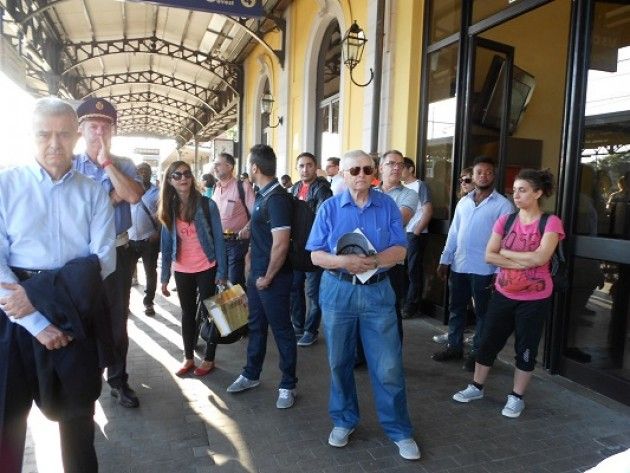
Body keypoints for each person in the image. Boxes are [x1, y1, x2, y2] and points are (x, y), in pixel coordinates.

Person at [0, 97, 115, 472]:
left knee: (78, 423)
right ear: (30, 136)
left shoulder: (93, 191)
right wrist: (33, 321)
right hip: (11, 319)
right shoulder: (5, 185)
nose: (54, 143)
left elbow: (102, 263)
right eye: (44, 134)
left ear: (77, 135)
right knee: (6, 422)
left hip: (74, 318)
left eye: (64, 134)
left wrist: (34, 296)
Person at [306, 149, 420, 461]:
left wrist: (371, 261)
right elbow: (315, 254)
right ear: (343, 174)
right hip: (338, 291)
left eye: (365, 169)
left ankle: (399, 429)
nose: (360, 176)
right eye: (353, 170)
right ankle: (343, 420)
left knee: (388, 366)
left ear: (374, 173)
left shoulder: (388, 207)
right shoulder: (329, 208)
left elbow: (400, 250)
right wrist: (344, 261)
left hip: (378, 292)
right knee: (339, 361)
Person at [453, 169, 564, 418]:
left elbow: (541, 257)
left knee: (526, 348)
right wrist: (524, 260)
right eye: (514, 190)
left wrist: (507, 253)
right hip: (504, 293)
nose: (516, 195)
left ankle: (516, 397)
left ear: (538, 193)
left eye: (522, 190)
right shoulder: (506, 220)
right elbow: (489, 255)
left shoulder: (550, 222)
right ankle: (477, 386)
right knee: (488, 341)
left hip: (534, 299)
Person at [73, 97, 144, 408]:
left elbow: (131, 195)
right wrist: (108, 198)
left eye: (105, 126)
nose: (99, 131)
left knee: (117, 321)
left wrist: (106, 164)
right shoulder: (70, 165)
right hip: (80, 255)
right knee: (83, 319)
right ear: (81, 129)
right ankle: (87, 379)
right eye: (93, 126)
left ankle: (118, 380)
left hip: (118, 251)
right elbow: (75, 210)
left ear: (113, 130)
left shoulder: (124, 164)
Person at [226, 144, 298, 410]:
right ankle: (251, 374)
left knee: (281, 330)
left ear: (254, 167)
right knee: (256, 326)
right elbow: (264, 235)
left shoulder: (277, 198)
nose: (247, 168)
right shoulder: (263, 195)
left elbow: (281, 244)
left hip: (273, 279)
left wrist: (267, 276)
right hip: (258, 276)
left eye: (247, 163)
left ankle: (288, 384)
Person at [433, 156, 513, 372]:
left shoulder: (503, 206)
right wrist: (444, 259)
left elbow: (506, 241)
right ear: (473, 176)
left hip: (485, 269)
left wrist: (499, 270)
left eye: (488, 172)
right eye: (479, 172)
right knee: (456, 309)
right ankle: (454, 347)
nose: (483, 176)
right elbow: (454, 233)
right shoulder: (463, 202)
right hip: (459, 266)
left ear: (494, 176)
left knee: (483, 315)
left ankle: (479, 354)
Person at [159, 161, 227, 377]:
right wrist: (164, 277)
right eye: (177, 175)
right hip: (182, 268)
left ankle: (209, 358)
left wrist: (222, 272)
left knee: (212, 313)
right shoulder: (168, 208)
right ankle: (188, 357)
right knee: (187, 314)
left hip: (207, 265)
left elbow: (218, 240)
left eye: (187, 174)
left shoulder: (207, 205)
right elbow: (166, 243)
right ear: (169, 181)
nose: (183, 178)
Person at [289, 152, 332, 346]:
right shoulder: (294, 188)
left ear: (316, 167)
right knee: (294, 288)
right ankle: (297, 327)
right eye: (301, 166)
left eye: (309, 165)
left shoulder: (323, 190)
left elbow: (323, 220)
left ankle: (310, 330)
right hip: (296, 248)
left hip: (315, 249)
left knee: (314, 293)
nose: (305, 169)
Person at [378, 150, 419, 340]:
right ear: (380, 168)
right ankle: (361, 356)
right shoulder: (369, 192)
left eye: (400, 164)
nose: (396, 167)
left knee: (391, 312)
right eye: (391, 163)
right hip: (366, 258)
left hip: (393, 262)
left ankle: (392, 361)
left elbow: (399, 220)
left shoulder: (409, 194)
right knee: (365, 311)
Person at [212, 152, 255, 289]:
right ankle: (224, 310)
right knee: (220, 280)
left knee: (234, 281)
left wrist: (247, 229)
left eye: (218, 164)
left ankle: (241, 310)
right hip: (218, 243)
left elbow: (257, 214)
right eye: (214, 165)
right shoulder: (216, 187)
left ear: (229, 166)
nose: (215, 167)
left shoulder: (242, 187)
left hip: (236, 243)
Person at [401, 157, 433, 319]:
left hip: (414, 234)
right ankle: (403, 302)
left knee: (413, 270)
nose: (398, 171)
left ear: (411, 169)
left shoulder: (420, 185)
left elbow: (427, 210)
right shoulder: (400, 188)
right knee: (402, 270)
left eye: (402, 167)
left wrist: (417, 231)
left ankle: (412, 306)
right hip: (401, 234)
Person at [128, 162, 160, 316]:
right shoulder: (128, 188)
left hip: (149, 240)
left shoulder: (157, 192)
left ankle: (149, 302)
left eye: (146, 171)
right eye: (140, 171)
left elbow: (164, 214)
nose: (143, 173)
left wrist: (158, 232)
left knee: (150, 272)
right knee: (126, 274)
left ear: (150, 173)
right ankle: (124, 304)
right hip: (130, 240)